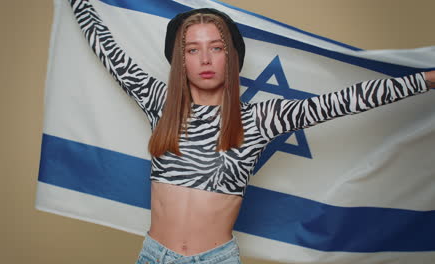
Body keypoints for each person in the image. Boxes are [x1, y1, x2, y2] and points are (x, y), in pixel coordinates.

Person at [67, 0, 435, 263]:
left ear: (233, 56)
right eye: (192, 50)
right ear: (181, 60)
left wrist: (428, 79)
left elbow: (344, 100)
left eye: (216, 48)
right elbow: (109, 50)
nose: (206, 59)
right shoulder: (160, 102)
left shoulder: (259, 118)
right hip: (152, 256)